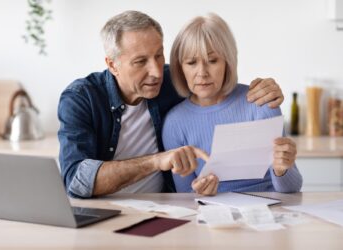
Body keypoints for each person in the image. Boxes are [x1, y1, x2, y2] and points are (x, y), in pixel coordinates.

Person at [58, 10, 285, 198]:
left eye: (158, 56)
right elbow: (77, 181)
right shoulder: (81, 99)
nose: (156, 72)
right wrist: (156, 161)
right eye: (140, 62)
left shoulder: (173, 81)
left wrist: (266, 87)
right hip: (105, 209)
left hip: (164, 208)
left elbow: (214, 79)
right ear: (112, 64)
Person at [162, 13, 302, 196]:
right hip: (211, 214)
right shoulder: (174, 123)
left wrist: (282, 169)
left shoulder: (260, 103)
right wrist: (199, 193)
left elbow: (292, 188)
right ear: (180, 67)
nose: (202, 72)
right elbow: (185, 195)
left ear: (227, 62)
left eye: (212, 61)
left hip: (268, 209)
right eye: (191, 62)